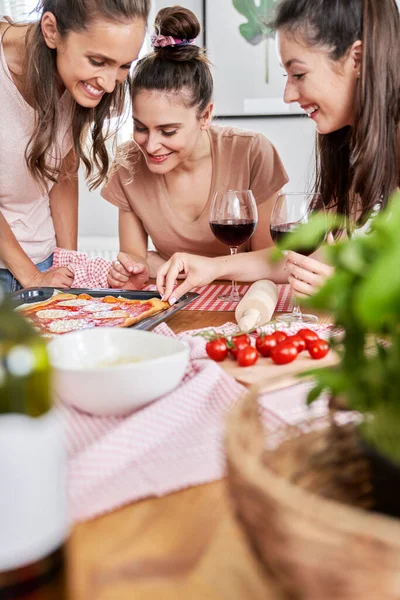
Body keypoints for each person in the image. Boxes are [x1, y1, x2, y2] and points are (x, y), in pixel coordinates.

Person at [156, 0, 400, 304]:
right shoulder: (352, 145)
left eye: (298, 74)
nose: (288, 95)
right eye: (286, 77)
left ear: (357, 59)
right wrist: (211, 266)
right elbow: (313, 258)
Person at [101, 5, 289, 291]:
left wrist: (206, 267)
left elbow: (273, 262)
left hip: (246, 299)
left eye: (168, 131)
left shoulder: (251, 152)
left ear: (205, 116)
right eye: (140, 127)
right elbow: (136, 262)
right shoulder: (128, 162)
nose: (150, 146)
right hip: (178, 300)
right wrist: (134, 271)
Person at [0, 0, 150, 293]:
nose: (109, 84)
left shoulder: (79, 80)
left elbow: (62, 170)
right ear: (52, 31)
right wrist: (30, 277)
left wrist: (68, 264)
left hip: (44, 261)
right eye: (98, 61)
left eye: (124, 65)